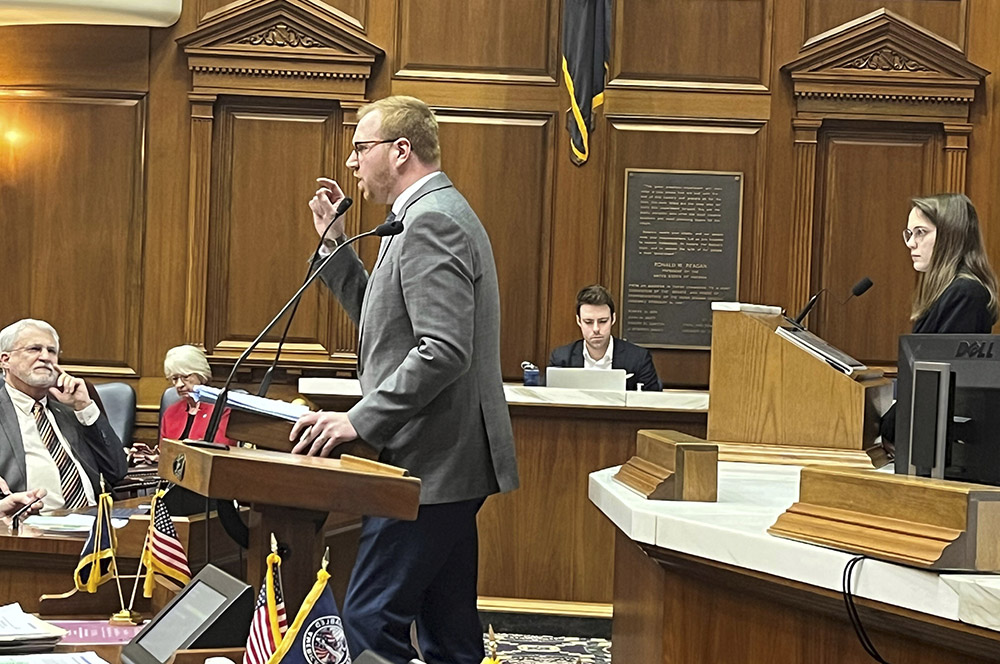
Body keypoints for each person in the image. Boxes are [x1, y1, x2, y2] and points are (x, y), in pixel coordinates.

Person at [288, 95, 518, 663]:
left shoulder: (431, 221)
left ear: (400, 150)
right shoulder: (420, 216)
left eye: (360, 149)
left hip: (427, 464)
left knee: (368, 622)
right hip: (447, 463)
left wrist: (357, 419)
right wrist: (335, 249)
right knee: (448, 628)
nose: (352, 164)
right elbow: (385, 319)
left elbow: (442, 350)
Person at [880, 193, 999, 449]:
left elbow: (935, 386)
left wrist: (889, 425)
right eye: (909, 234)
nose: (911, 243)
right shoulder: (950, 292)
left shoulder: (965, 294)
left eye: (921, 232)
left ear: (951, 235)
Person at [0, 319, 127, 513]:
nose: (45, 357)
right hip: (31, 526)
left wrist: (84, 407)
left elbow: (116, 471)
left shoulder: (69, 408)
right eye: (34, 349)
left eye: (51, 351)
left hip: (95, 522)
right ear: (5, 360)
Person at [548, 284, 662, 391]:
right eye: (588, 322)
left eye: (603, 321)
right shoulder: (561, 359)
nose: (596, 329)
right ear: (578, 321)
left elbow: (653, 404)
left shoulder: (639, 359)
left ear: (613, 319)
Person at [160, 344, 234, 445]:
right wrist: (153, 455)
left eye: (185, 377)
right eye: (175, 378)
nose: (179, 385)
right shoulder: (171, 413)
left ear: (201, 375)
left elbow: (221, 454)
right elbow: (165, 452)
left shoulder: (222, 410)